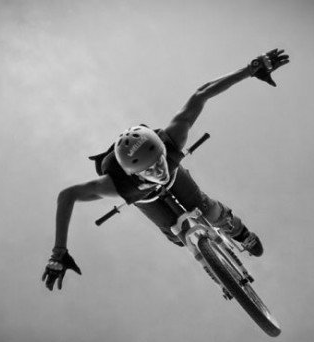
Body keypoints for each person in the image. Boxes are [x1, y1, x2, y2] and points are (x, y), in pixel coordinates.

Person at [42, 48, 290, 291]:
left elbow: (201, 94)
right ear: (133, 174)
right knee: (176, 233)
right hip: (142, 195)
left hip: (169, 180)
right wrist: (59, 252)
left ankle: (238, 231)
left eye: (160, 161)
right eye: (150, 170)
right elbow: (66, 196)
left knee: (206, 209)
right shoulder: (116, 184)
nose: (159, 171)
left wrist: (250, 70)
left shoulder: (172, 139)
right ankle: (213, 267)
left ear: (163, 148)